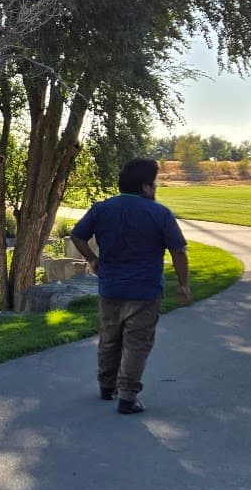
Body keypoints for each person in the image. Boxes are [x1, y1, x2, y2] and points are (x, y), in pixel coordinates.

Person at [68, 158, 190, 414]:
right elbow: (178, 251)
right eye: (154, 184)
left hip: (110, 287)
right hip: (144, 291)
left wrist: (92, 259)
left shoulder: (102, 209)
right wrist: (182, 284)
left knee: (109, 338)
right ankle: (127, 396)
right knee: (137, 343)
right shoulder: (159, 213)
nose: (155, 189)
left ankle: (106, 385)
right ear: (146, 186)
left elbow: (77, 234)